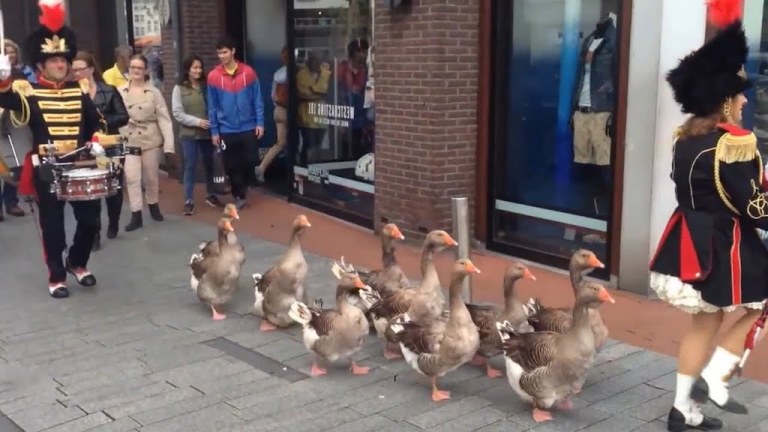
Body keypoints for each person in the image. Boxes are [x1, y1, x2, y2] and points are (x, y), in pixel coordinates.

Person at [649, 1, 767, 429]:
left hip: (689, 236)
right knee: (762, 304)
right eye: (739, 94)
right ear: (724, 101)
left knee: (705, 320)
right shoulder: (732, 145)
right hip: (725, 241)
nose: (743, 99)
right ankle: (716, 378)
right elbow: (753, 206)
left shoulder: (686, 139)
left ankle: (683, 409)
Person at [0, 0, 102, 298]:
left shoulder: (79, 91)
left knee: (89, 220)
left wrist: (96, 140)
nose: (61, 64)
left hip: (80, 166)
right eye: (54, 60)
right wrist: (4, 79)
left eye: (63, 59)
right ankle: (57, 276)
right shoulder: (29, 93)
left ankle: (78, 262)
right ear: (41, 65)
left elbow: (97, 123)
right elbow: (6, 101)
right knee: (53, 227)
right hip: (47, 169)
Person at [72, 51, 129, 249]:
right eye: (74, 70)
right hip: (86, 147)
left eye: (81, 69)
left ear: (90, 69)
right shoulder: (72, 93)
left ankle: (114, 221)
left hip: (110, 145)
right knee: (92, 191)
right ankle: (94, 233)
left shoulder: (109, 89)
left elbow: (123, 116)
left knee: (114, 188)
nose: (77, 73)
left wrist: (102, 123)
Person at [207, 36, 264, 210]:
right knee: (231, 165)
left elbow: (257, 100)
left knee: (250, 160)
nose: (222, 56)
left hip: (248, 126)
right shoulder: (213, 76)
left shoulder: (248, 73)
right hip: (226, 129)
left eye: (224, 52)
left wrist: (260, 123)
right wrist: (215, 131)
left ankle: (244, 186)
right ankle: (239, 194)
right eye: (219, 53)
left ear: (233, 51)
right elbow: (212, 106)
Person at [118, 54, 175, 232]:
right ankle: (136, 214)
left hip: (150, 139)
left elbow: (164, 119)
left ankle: (153, 205)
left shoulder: (154, 93)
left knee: (151, 177)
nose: (136, 70)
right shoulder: (119, 91)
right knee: (132, 177)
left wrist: (169, 145)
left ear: (146, 70)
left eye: (139, 67)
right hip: (129, 139)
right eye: (133, 67)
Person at [171, 54, 224, 215]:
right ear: (187, 70)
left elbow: (216, 106)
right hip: (189, 135)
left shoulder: (207, 86)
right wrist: (197, 122)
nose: (198, 71)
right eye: (194, 67)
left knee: (210, 165)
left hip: (208, 134)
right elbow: (177, 113)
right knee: (190, 166)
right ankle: (189, 200)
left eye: (200, 67)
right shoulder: (179, 88)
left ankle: (211, 194)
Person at [254, 47, 288, 184]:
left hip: (278, 110)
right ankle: (295, 172)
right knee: (297, 142)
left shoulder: (277, 73)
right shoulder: (292, 73)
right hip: (289, 111)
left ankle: (261, 168)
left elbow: (273, 95)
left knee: (280, 143)